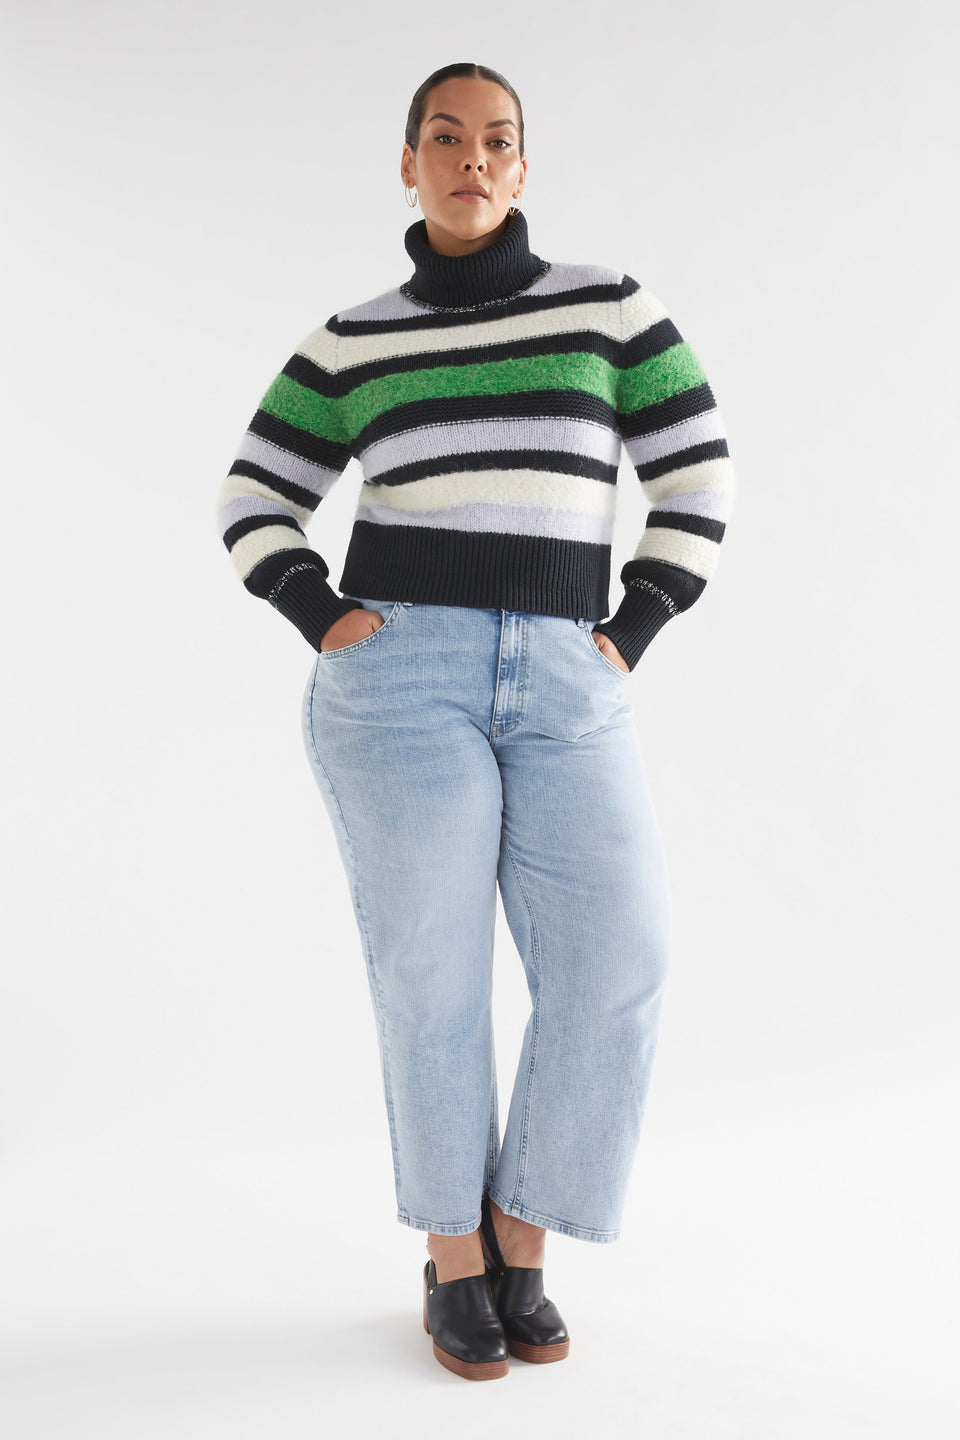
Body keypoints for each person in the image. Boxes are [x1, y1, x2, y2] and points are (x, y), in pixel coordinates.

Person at [216, 61, 735, 1381]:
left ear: (523, 165)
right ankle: (455, 1259)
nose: (472, 161)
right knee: (432, 976)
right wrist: (321, 612)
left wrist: (635, 623)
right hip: (401, 682)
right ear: (408, 165)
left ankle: (521, 1236)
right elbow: (253, 493)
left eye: (497, 140)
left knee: (617, 960)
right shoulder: (353, 341)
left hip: (569, 675)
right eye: (445, 140)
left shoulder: (610, 309)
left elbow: (695, 472)